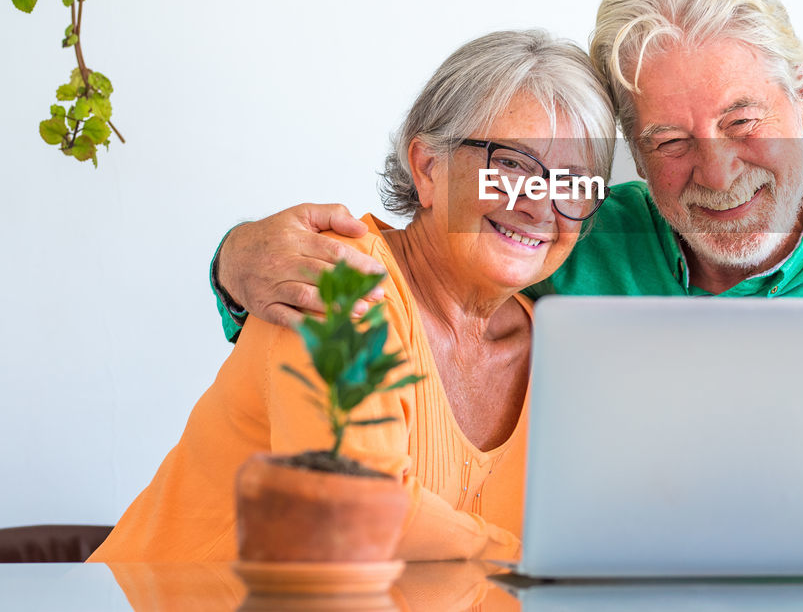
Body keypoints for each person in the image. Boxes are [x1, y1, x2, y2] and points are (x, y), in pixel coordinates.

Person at [211, 0, 803, 577]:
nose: (716, 171)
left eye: (745, 122)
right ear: (635, 153)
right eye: (671, 141)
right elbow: (411, 286)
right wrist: (236, 264)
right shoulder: (573, 233)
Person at [90, 30, 616, 562]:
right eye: (512, 165)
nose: (539, 204)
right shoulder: (338, 281)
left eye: (572, 182)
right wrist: (526, 561)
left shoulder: (553, 351)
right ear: (428, 167)